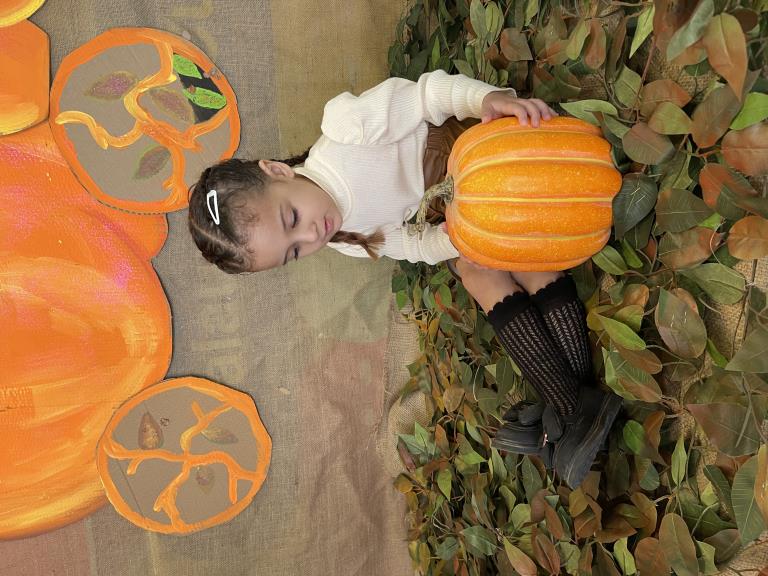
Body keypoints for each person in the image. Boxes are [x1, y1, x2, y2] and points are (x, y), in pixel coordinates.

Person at [187, 70, 620, 488]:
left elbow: (428, 96)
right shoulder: (342, 238)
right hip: (454, 212)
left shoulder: (347, 130)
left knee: (525, 254)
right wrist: (458, 240)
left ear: (277, 171)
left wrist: (485, 99)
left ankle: (570, 408)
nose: (311, 235)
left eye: (292, 218)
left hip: (477, 157)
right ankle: (575, 408)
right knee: (479, 272)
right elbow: (413, 244)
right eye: (294, 251)